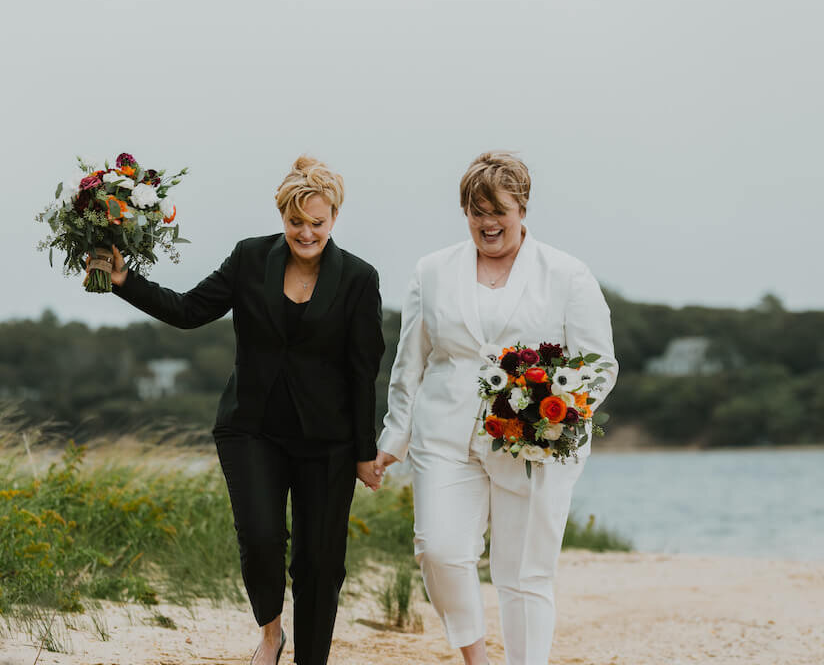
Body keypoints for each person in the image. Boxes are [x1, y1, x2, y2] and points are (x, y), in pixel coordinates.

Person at [91, 155, 385, 665]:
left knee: (319, 562)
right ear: (282, 217)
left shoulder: (359, 278)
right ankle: (271, 633)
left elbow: (364, 371)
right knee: (262, 536)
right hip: (252, 428)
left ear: (334, 218)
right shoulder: (250, 259)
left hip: (328, 440)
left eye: (317, 222)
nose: (306, 233)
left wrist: (364, 452)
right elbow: (188, 311)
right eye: (296, 222)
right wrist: (124, 279)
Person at [373, 151, 618, 665]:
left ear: (522, 208)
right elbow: (409, 362)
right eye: (475, 210)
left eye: (497, 210)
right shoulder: (432, 271)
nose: (487, 222)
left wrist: (559, 415)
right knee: (439, 550)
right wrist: (393, 439)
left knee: (525, 573)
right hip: (444, 438)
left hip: (534, 448)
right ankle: (475, 658)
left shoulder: (568, 275)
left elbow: (600, 366)